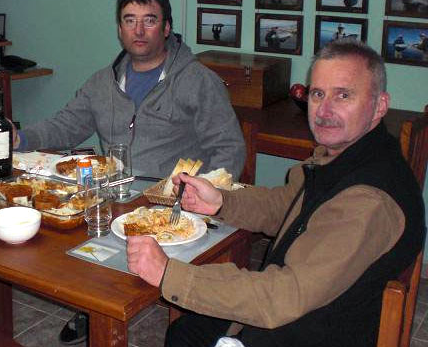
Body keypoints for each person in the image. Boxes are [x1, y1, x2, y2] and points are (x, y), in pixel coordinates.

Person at [127, 39, 426, 347]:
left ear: (379, 106)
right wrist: (221, 201)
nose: (324, 110)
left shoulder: (368, 199)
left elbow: (282, 297)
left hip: (311, 330)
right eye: (317, 94)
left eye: (344, 95)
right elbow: (288, 205)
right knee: (185, 330)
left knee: (188, 330)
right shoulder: (346, 155)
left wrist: (167, 274)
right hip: (308, 311)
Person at [14, 0, 246, 344]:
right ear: (119, 28)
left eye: (149, 20)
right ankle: (93, 301)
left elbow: (229, 149)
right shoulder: (102, 82)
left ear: (166, 28)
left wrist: (206, 198)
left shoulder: (199, 81)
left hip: (172, 201)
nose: (139, 31)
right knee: (56, 227)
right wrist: (19, 139)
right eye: (130, 21)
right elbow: (65, 125)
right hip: (115, 193)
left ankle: (177, 309)